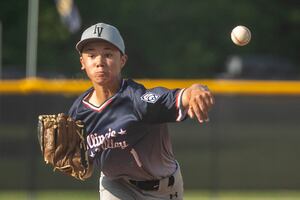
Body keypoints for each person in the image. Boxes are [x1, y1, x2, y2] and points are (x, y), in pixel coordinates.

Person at [69, 22, 215, 200]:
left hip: (163, 189)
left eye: (108, 54)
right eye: (91, 55)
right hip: (116, 186)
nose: (99, 62)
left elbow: (171, 98)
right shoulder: (78, 113)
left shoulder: (137, 100)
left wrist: (194, 91)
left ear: (122, 60)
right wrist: (74, 162)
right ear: (82, 62)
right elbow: (81, 163)